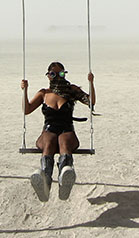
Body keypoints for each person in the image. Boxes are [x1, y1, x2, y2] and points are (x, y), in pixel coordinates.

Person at [20, 62, 95, 202]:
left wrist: (91, 83)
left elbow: (91, 102)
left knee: (64, 142)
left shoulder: (71, 90)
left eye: (61, 74)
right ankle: (45, 180)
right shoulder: (44, 93)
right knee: (48, 143)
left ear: (65, 74)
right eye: (53, 74)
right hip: (49, 129)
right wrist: (24, 91)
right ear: (48, 76)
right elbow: (26, 109)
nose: (58, 78)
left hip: (67, 129)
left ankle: (65, 176)